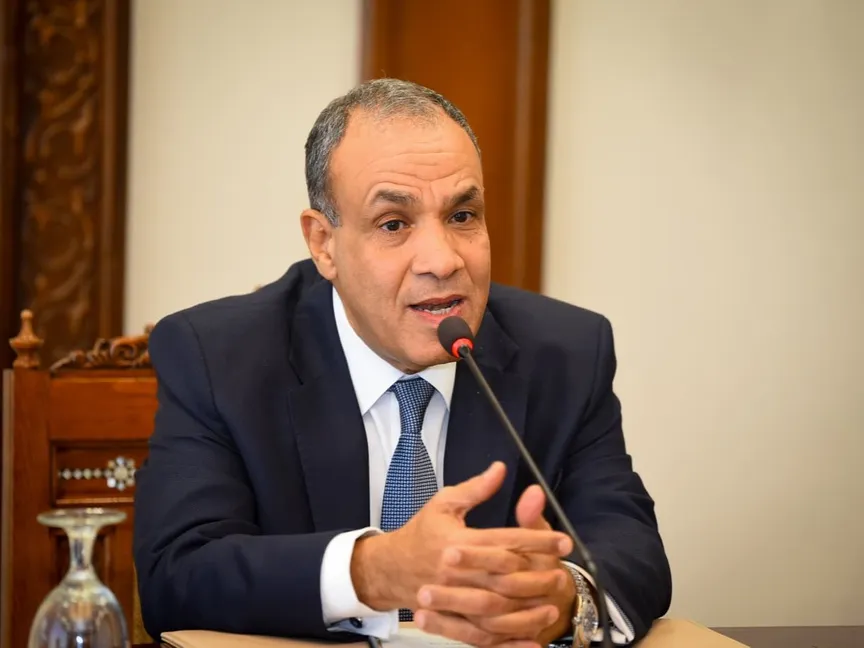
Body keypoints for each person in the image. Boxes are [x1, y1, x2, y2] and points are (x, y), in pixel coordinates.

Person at [133, 79, 671, 648]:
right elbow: (178, 574)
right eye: (394, 223)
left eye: (462, 215)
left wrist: (562, 598)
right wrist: (374, 570)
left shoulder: (566, 352)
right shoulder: (217, 356)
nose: (442, 260)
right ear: (323, 244)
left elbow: (630, 548)